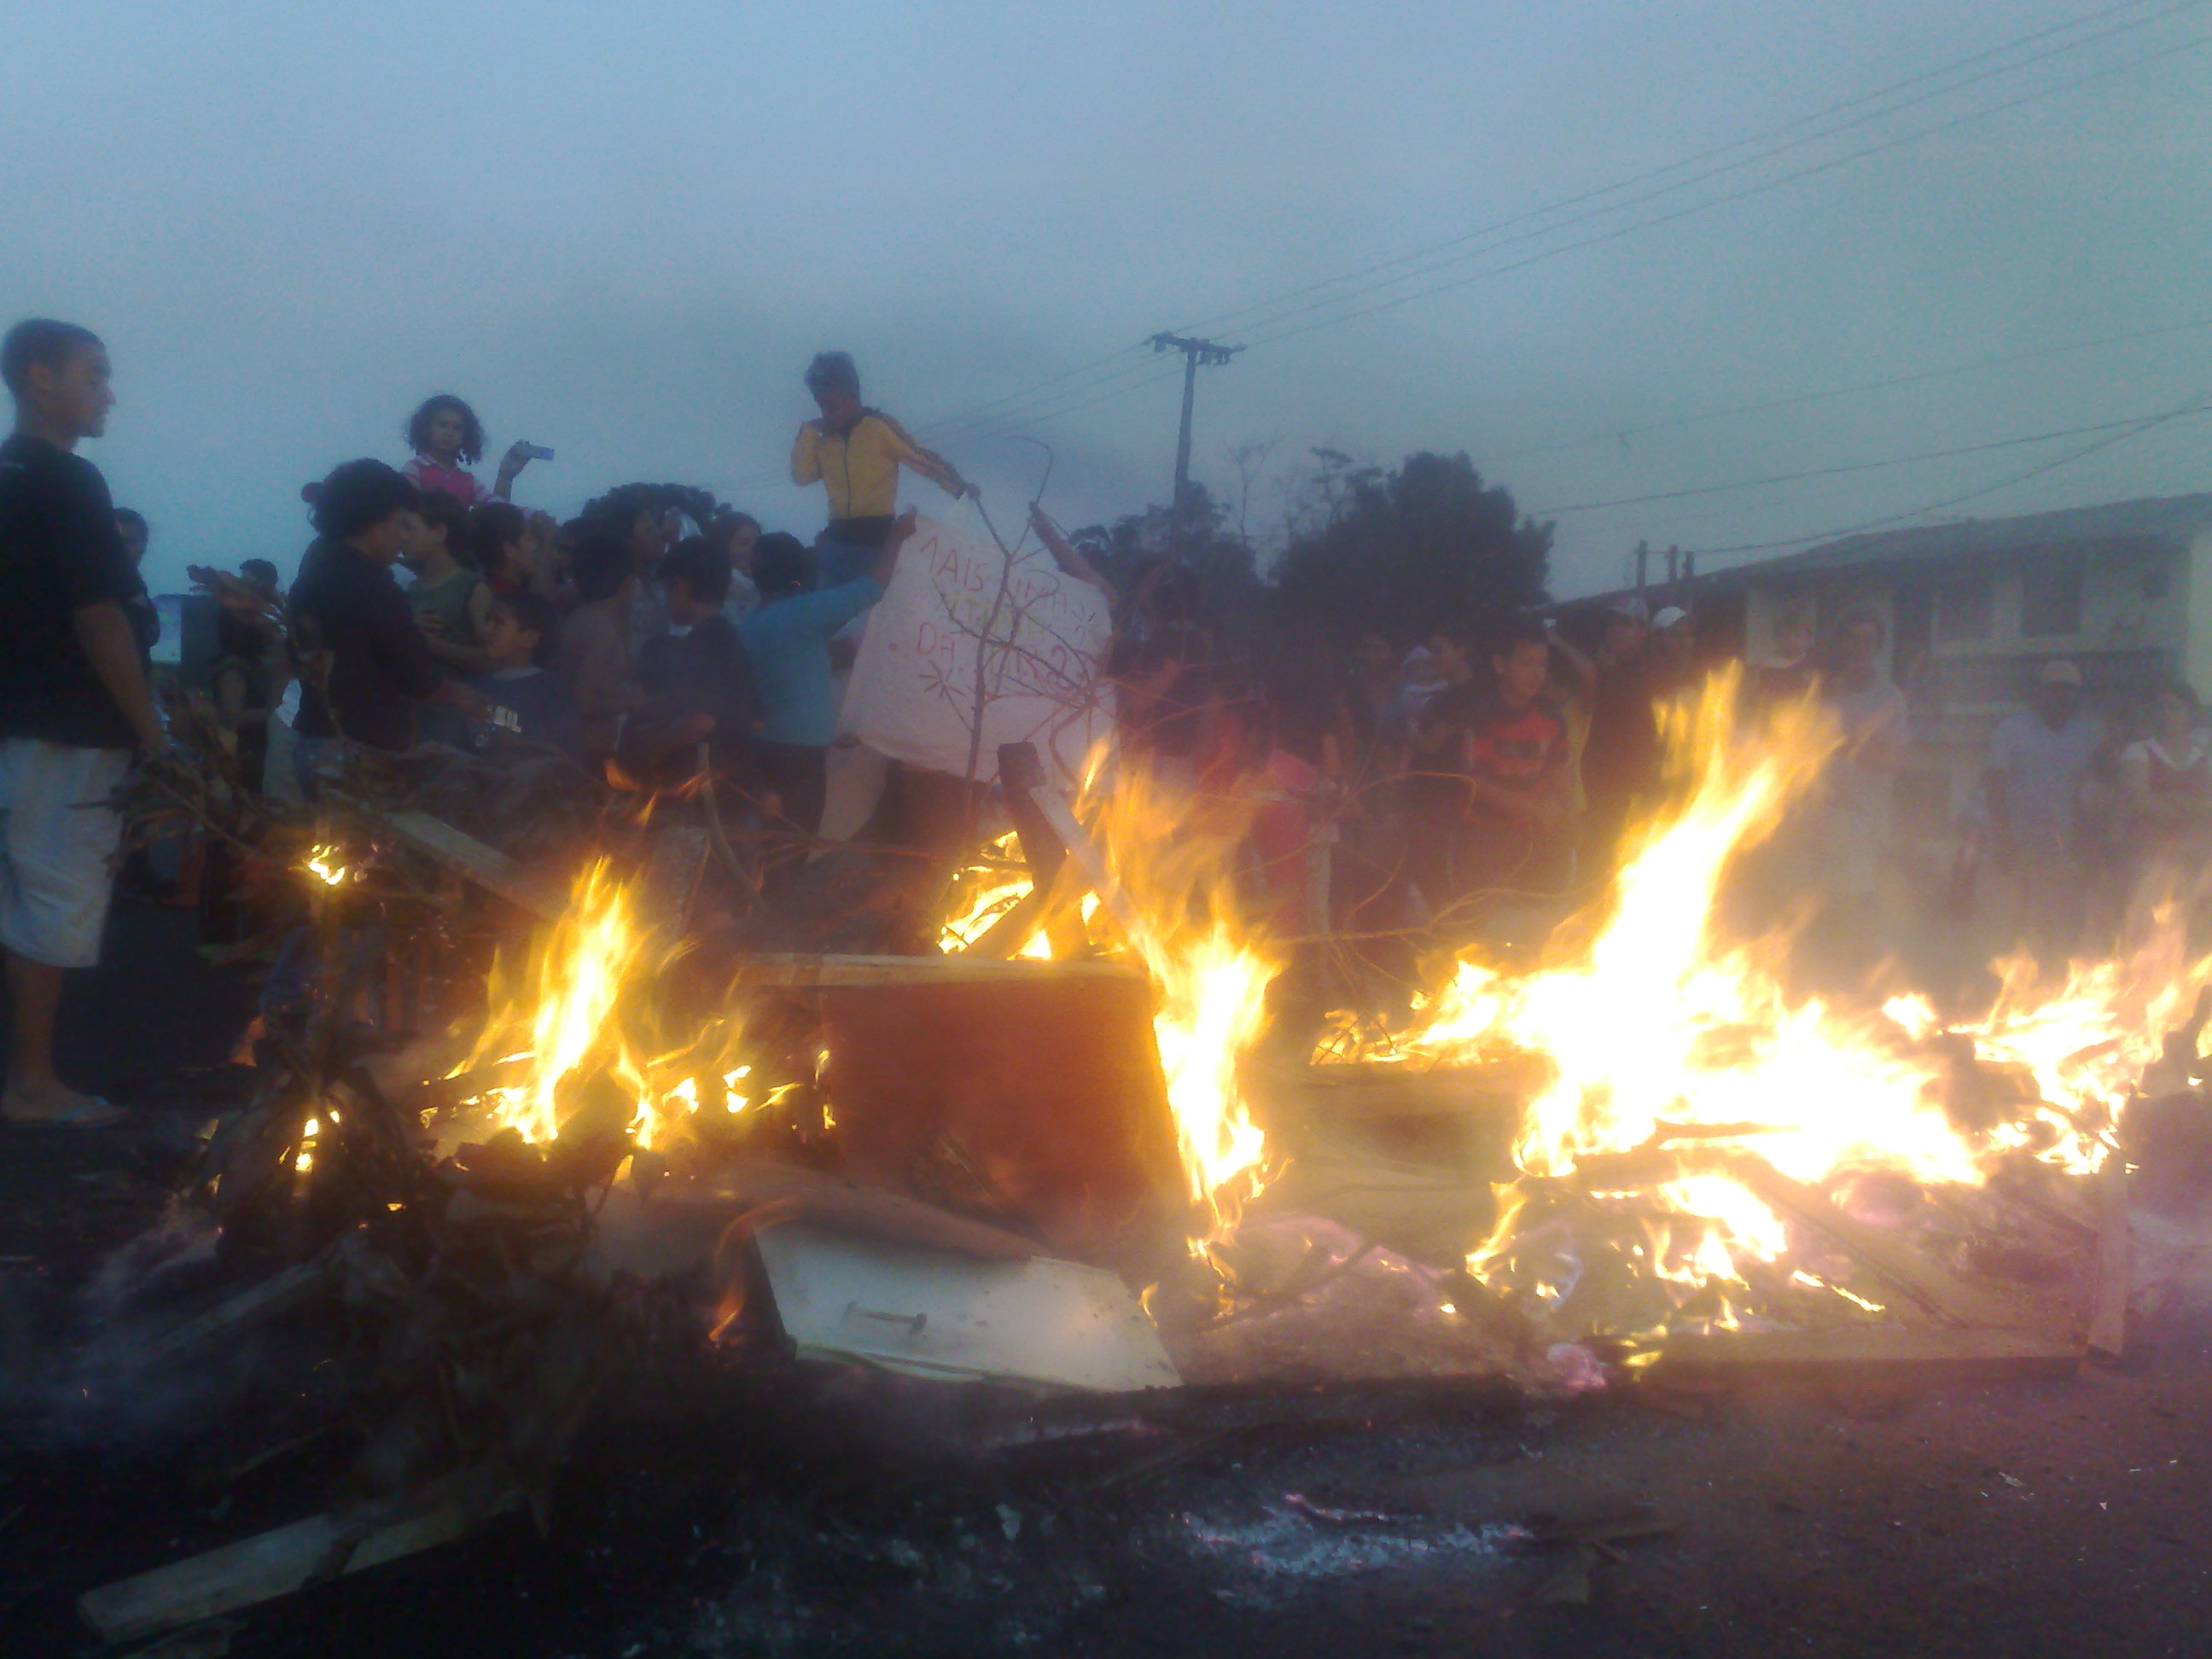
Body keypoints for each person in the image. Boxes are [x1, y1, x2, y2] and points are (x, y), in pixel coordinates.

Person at [0, 318, 167, 1126]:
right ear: (41, 378)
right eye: (93, 375)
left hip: (17, 720)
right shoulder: (66, 481)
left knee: (20, 891)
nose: (108, 392)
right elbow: (99, 618)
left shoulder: (7, 477)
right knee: (53, 897)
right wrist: (154, 732)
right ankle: (34, 1083)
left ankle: (29, 1074)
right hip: (66, 729)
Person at [288, 460, 479, 783]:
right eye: (401, 524)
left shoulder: (316, 571)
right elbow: (420, 678)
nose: (404, 537)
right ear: (373, 523)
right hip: (357, 753)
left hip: (314, 741)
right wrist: (465, 698)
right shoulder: (372, 584)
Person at [738, 518, 912, 859]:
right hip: (799, 757)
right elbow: (875, 584)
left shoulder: (752, 624)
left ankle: (756, 901)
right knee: (794, 842)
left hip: (764, 748)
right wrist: (897, 536)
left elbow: (793, 664)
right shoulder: (806, 612)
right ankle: (775, 906)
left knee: (771, 841)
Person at [791, 352, 971, 586]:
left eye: (831, 404)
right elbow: (802, 477)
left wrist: (959, 488)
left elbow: (919, 458)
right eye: (821, 405)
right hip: (836, 543)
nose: (826, 412)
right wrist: (809, 432)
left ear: (852, 396)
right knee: (835, 618)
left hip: (876, 542)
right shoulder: (825, 439)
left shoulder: (878, 427)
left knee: (872, 616)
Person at [1798, 609, 1909, 986]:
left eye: (1867, 640)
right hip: (1815, 818)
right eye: (1852, 639)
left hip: (1860, 822)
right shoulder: (1825, 691)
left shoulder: (1888, 697)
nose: (1859, 647)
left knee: (1851, 910)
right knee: (1811, 909)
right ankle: (1817, 987)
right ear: (1841, 644)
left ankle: (1851, 989)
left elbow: (1895, 760)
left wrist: (1847, 745)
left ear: (1877, 647)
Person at [1985, 659, 2106, 966]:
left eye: (2069, 690)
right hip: (2022, 843)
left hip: (2070, 846)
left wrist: (2093, 841)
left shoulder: (2091, 732)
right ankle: (2018, 986)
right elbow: (1995, 786)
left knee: (2067, 919)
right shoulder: (2011, 730)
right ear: (2039, 692)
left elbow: (2105, 783)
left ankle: (2059, 983)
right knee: (2020, 920)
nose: (2061, 696)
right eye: (2053, 689)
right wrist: (2002, 838)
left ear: (2078, 695)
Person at [1453, 617, 1575, 901]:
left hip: (1532, 836)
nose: (1536, 673)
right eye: (1526, 663)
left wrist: (1570, 817)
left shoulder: (1550, 715)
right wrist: (1533, 808)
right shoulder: (1482, 713)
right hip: (1482, 836)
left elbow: (1557, 769)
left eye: (1542, 664)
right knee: (1481, 922)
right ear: (1500, 665)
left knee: (1539, 918)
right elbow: (1475, 782)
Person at [624, 538, 757, 790]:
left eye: (667, 589)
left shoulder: (704, 644)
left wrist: (655, 747)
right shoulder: (727, 638)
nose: (666, 600)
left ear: (680, 586)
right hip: (733, 784)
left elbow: (701, 720)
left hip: (711, 790)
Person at [1580, 597, 1660, 877]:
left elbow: (1631, 711)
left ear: (1642, 631)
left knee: (1625, 857)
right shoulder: (1606, 665)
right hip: (1599, 776)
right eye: (1613, 623)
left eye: (1625, 624)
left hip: (1632, 780)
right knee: (1596, 856)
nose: (1615, 630)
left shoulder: (1648, 668)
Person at [548, 532, 641, 767]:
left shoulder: (578, 618)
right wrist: (638, 701)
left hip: (571, 742)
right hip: (591, 748)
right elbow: (584, 703)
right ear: (628, 582)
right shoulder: (601, 629)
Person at [2120, 680, 2211, 896]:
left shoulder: (2204, 759)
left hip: (2196, 856)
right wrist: (2192, 808)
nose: (2165, 714)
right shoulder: (2137, 752)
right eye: (2159, 708)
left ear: (2191, 714)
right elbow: (2141, 803)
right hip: (2149, 856)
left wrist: (2165, 799)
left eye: (2174, 708)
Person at [472, 591, 579, 755]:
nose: (486, 629)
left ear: (529, 639)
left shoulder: (551, 692)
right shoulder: (476, 685)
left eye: (498, 622)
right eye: (487, 620)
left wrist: (515, 744)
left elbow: (562, 754)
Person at [401, 490, 492, 678]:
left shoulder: (473, 588)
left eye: (409, 528)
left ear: (439, 532)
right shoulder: (412, 588)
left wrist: (433, 645)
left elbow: (494, 660)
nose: (402, 536)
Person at [403, 394, 536, 507]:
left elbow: (499, 512)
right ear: (426, 429)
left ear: (466, 436)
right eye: (442, 425)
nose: (449, 433)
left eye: (457, 428)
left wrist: (505, 476)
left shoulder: (468, 481)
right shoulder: (414, 469)